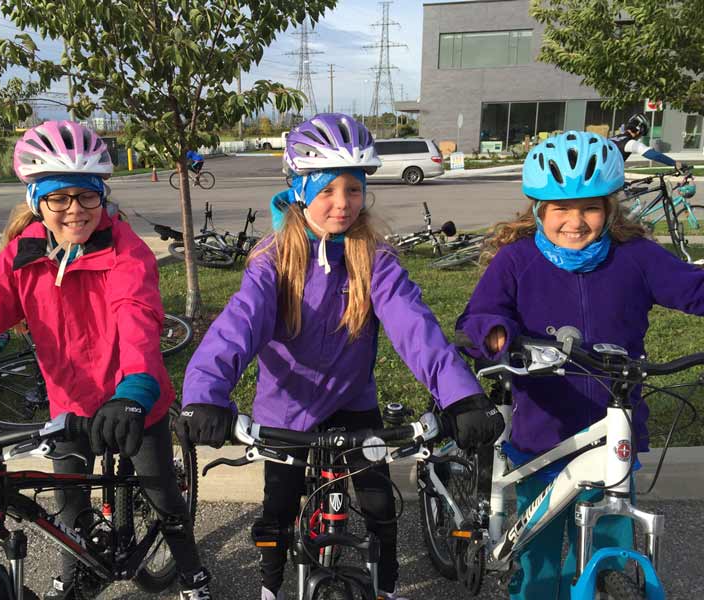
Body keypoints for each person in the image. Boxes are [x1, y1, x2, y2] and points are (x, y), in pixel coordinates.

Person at [175, 113, 503, 600]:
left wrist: (461, 397)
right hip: (284, 411)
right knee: (279, 507)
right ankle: (270, 586)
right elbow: (237, 326)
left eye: (354, 189)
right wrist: (205, 393)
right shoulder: (273, 259)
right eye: (328, 190)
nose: (342, 204)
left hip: (353, 403)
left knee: (378, 505)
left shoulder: (374, 256)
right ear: (302, 190)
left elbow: (415, 328)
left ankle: (386, 585)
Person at [0, 121, 212, 600]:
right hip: (69, 408)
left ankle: (193, 576)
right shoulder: (21, 259)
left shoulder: (125, 251)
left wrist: (135, 389)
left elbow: (137, 319)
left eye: (87, 196)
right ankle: (74, 583)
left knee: (163, 495)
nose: (75, 210)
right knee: (68, 512)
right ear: (36, 201)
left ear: (102, 197)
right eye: (59, 198)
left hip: (135, 399)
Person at [456, 130, 704, 600]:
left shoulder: (635, 257)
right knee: (541, 562)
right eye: (561, 209)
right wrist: (495, 335)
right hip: (544, 431)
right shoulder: (517, 261)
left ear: (610, 210)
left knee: (608, 546)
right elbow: (478, 317)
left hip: (613, 429)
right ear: (538, 212)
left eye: (590, 207)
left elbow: (692, 287)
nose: (576, 221)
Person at [609, 112, 687, 170]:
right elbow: (654, 155)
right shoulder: (629, 142)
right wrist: (675, 163)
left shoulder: (613, 138)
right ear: (639, 131)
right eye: (641, 135)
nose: (639, 138)